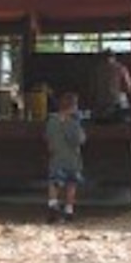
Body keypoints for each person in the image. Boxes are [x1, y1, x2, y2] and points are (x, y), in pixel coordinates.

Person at [45, 91, 86, 222]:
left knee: (54, 182)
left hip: (56, 156)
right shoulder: (73, 122)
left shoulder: (52, 121)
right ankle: (69, 209)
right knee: (71, 184)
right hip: (72, 158)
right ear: (73, 106)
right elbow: (78, 139)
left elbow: (47, 137)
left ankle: (52, 204)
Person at [93, 48, 131, 122]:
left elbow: (93, 88)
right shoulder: (120, 68)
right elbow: (128, 87)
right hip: (117, 103)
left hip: (100, 103)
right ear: (114, 57)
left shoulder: (98, 69)